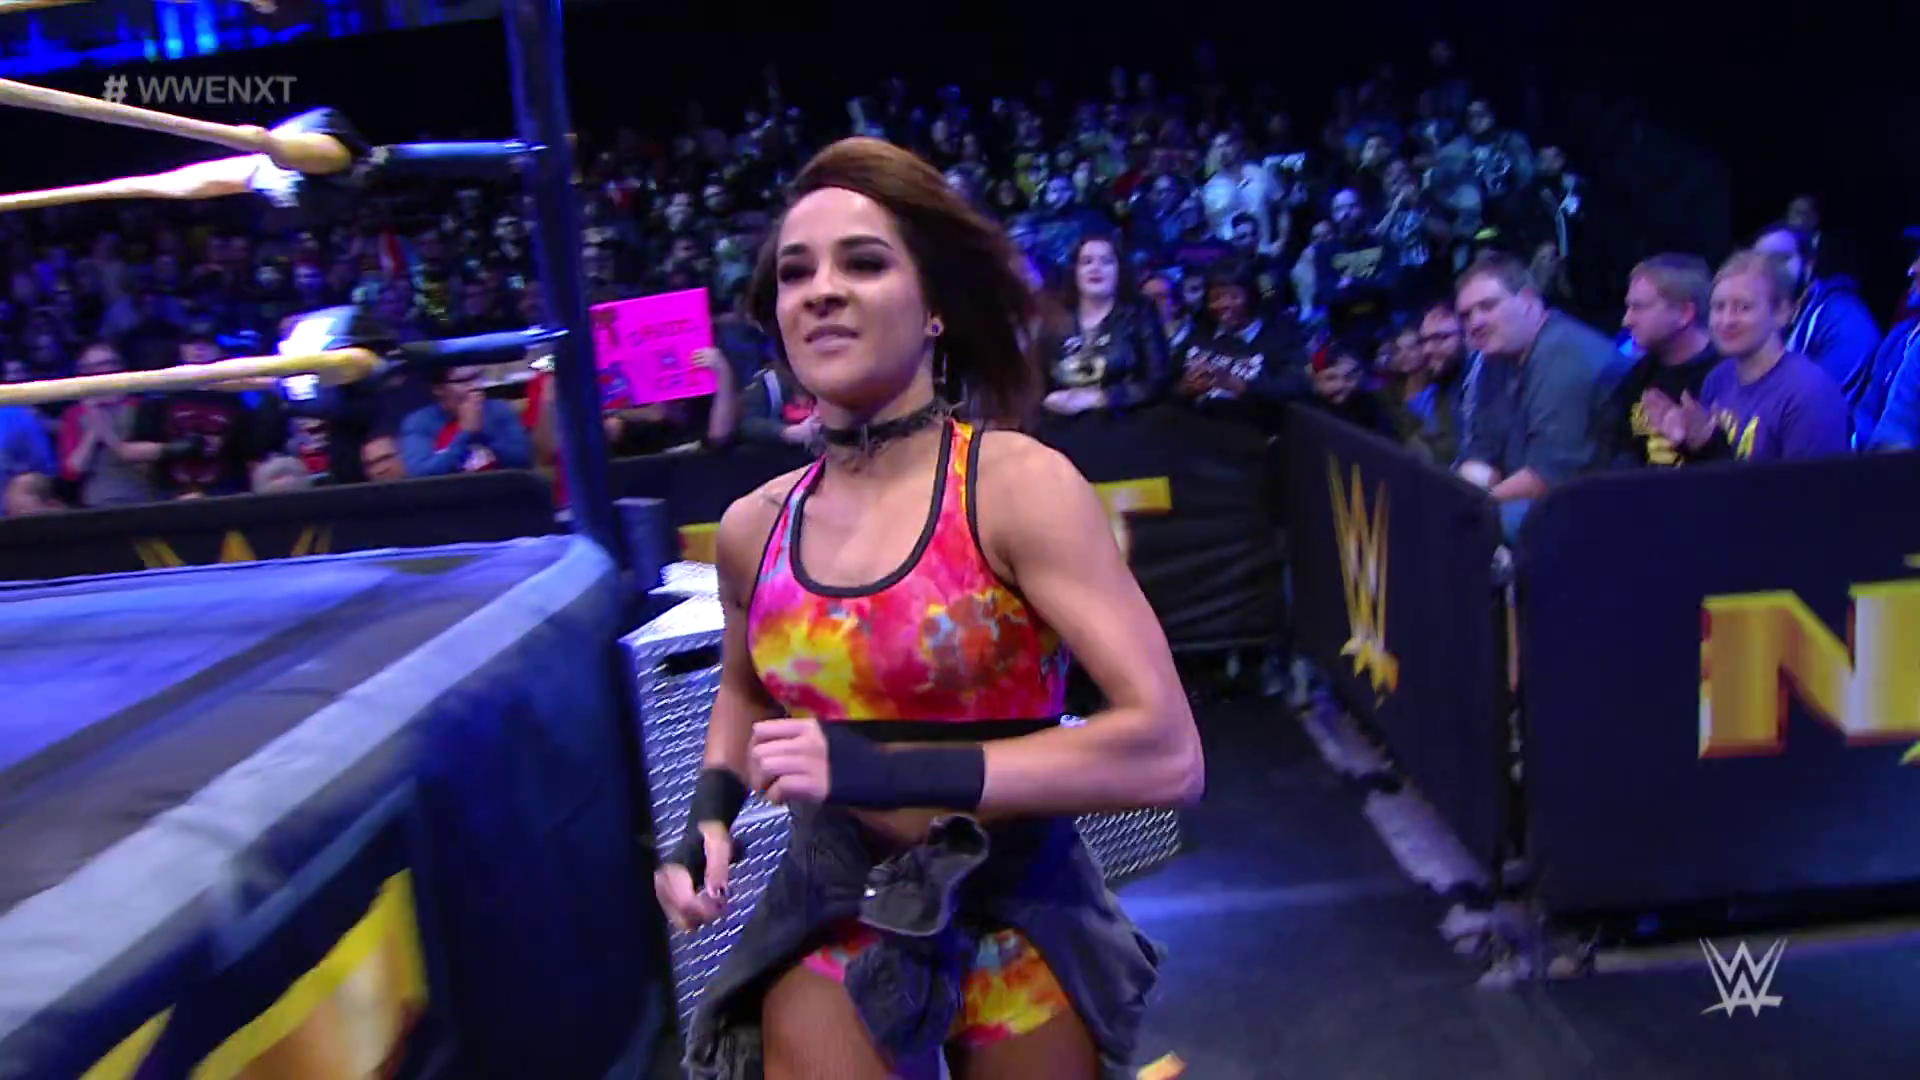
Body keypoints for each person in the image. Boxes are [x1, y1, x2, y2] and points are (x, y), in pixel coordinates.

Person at [661, 137, 1201, 1080]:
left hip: (1017, 907)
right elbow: (745, 688)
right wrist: (709, 814)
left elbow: (1167, 754)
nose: (821, 291)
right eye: (796, 272)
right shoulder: (755, 527)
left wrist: (880, 769)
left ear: (936, 307)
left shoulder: (1016, 488)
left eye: (863, 263)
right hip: (837, 906)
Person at [1452, 253, 1628, 541]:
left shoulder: (1566, 355)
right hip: (1529, 496)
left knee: (1474, 528)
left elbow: (1547, 476)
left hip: (1591, 505)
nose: (1475, 323)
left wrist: (1468, 510)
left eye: (1488, 306)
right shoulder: (1495, 356)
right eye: (1466, 315)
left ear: (1528, 301)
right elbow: (1482, 451)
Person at [1648, 250, 1850, 463]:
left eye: (1743, 307)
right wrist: (1688, 445)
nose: (1726, 321)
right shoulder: (1718, 379)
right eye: (1719, 307)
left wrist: (1706, 444)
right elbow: (1715, 473)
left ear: (1782, 312)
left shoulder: (1808, 395)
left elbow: (1810, 484)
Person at [1039, 233, 1173, 416]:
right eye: (1087, 262)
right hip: (1062, 422)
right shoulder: (1056, 319)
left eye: (1106, 261)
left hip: (1127, 422)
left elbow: (1157, 381)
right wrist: (1049, 399)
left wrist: (1103, 398)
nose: (1096, 268)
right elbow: (1040, 379)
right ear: (1074, 271)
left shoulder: (1140, 314)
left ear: (1119, 271)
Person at [1614, 255, 1719, 466]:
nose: (1627, 321)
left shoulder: (1726, 377)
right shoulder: (1637, 377)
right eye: (1628, 308)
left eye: (1639, 307)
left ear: (1684, 313)